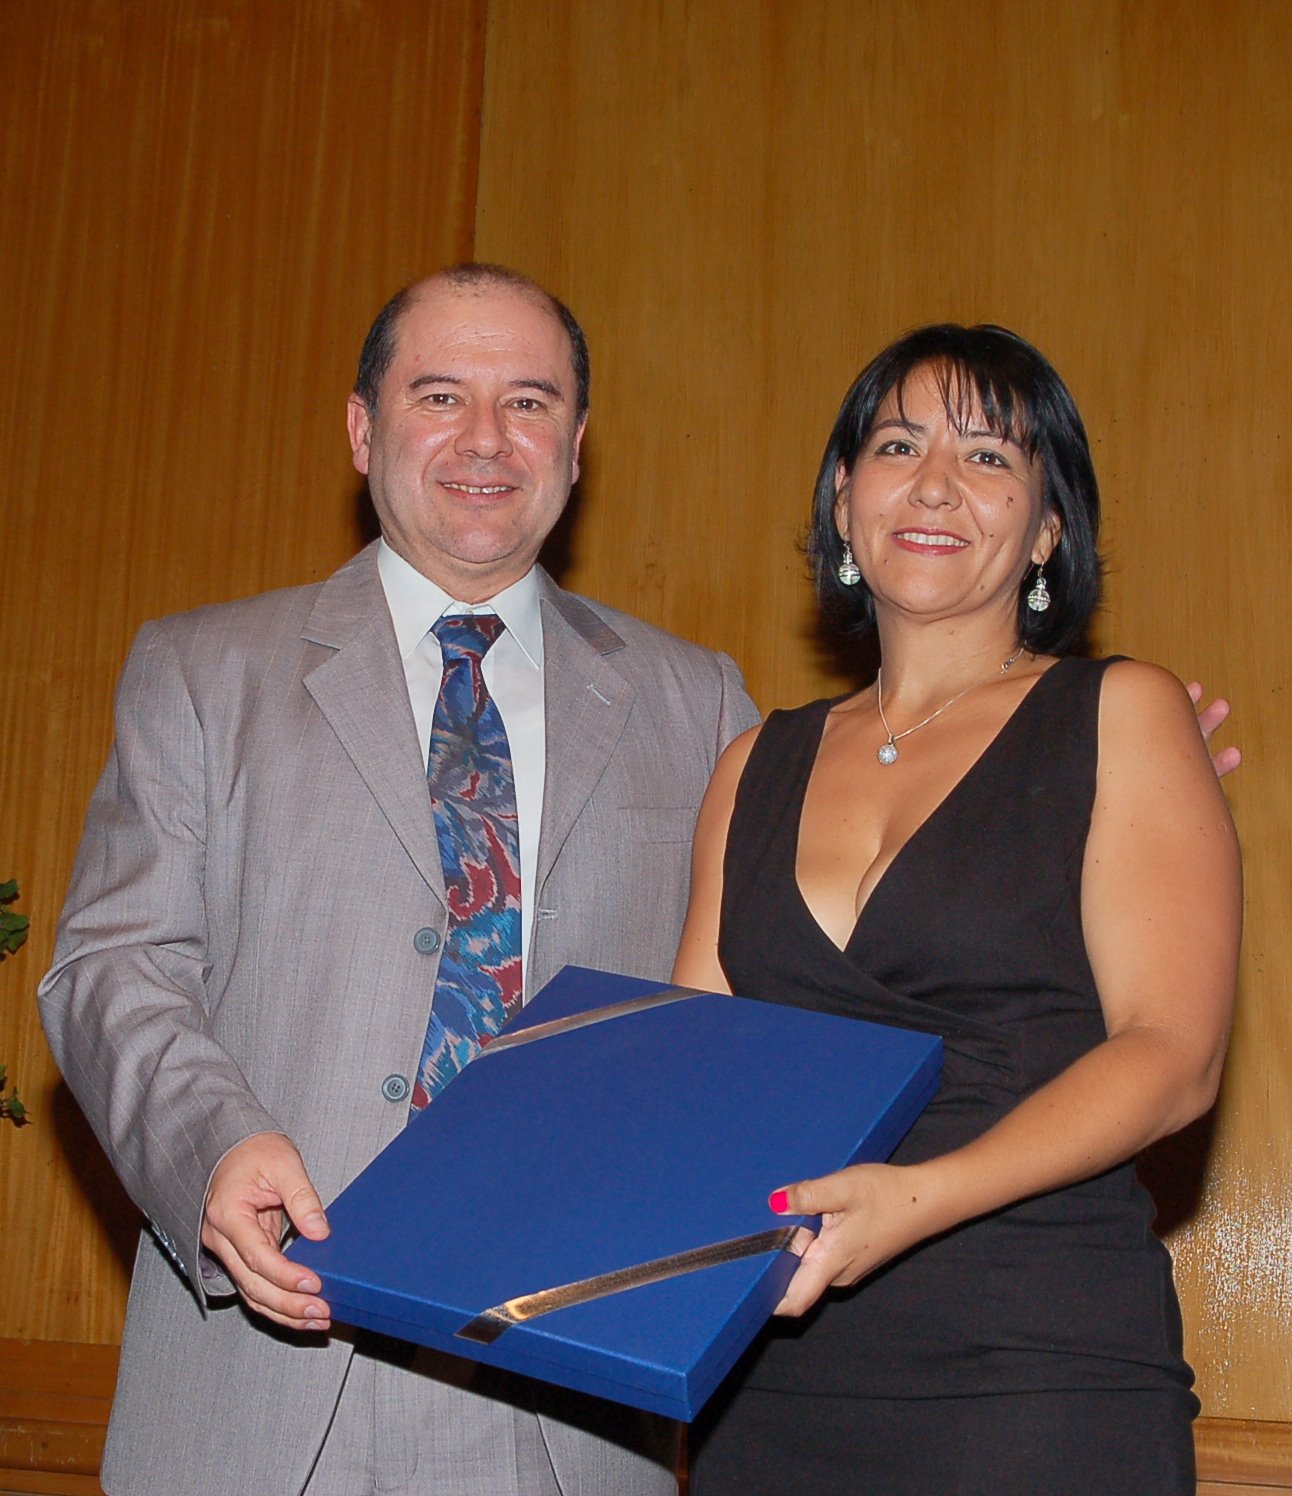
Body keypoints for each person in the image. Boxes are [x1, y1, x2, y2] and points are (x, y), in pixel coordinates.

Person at [38, 264, 759, 1496]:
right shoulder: (202, 672)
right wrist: (211, 1148)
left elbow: (774, 989)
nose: (485, 437)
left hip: (570, 1393)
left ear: (576, 444)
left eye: (527, 401)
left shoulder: (700, 702)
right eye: (438, 395)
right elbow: (112, 962)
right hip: (271, 1366)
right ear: (362, 429)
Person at [674, 325, 1242, 1496]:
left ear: (1044, 529)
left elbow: (1172, 1054)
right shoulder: (748, 764)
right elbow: (693, 1081)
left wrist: (914, 1200)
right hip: (765, 1385)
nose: (933, 483)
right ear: (843, 501)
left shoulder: (1122, 712)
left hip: (1033, 1368)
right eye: (896, 446)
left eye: (988, 456)